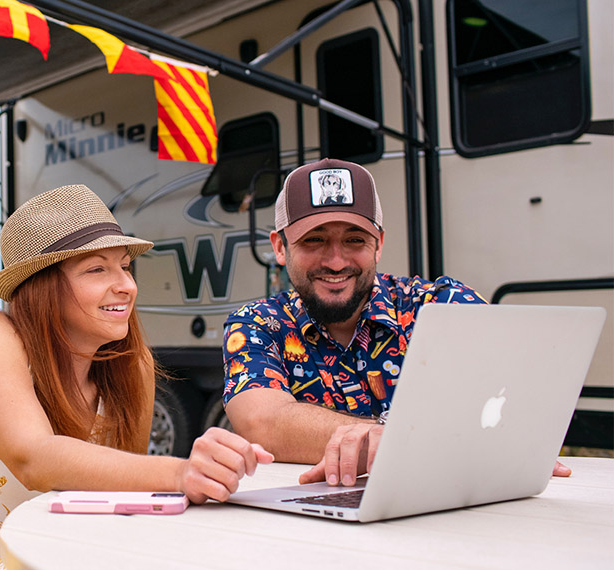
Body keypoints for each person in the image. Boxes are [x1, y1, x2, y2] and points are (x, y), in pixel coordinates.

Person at [0, 184, 272, 570]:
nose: (126, 286)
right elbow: (33, 457)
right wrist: (180, 472)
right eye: (97, 269)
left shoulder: (133, 366)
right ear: (41, 286)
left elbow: (120, 491)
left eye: (125, 267)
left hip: (50, 559)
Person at [221, 158, 569, 491]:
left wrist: (393, 440)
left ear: (379, 245)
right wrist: (402, 439)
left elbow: (519, 409)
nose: (336, 261)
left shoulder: (441, 305)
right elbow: (261, 423)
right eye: (314, 239)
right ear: (280, 247)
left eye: (354, 239)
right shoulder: (258, 323)